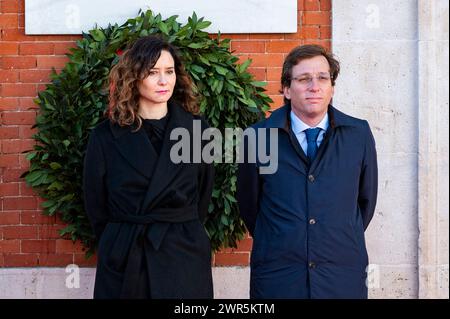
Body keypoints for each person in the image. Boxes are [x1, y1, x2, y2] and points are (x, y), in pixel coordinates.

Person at [237, 44, 378, 299]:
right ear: (287, 89)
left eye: (323, 78)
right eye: (304, 79)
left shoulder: (358, 135)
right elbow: (249, 206)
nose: (315, 86)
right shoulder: (258, 137)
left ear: (332, 87)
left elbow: (364, 203)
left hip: (341, 276)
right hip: (279, 278)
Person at [83, 35, 214, 299]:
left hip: (183, 252)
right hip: (127, 252)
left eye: (169, 71)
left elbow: (203, 195)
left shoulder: (199, 132)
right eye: (153, 72)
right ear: (134, 77)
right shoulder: (105, 137)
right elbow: (95, 203)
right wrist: (118, 239)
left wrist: (182, 227)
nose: (164, 80)